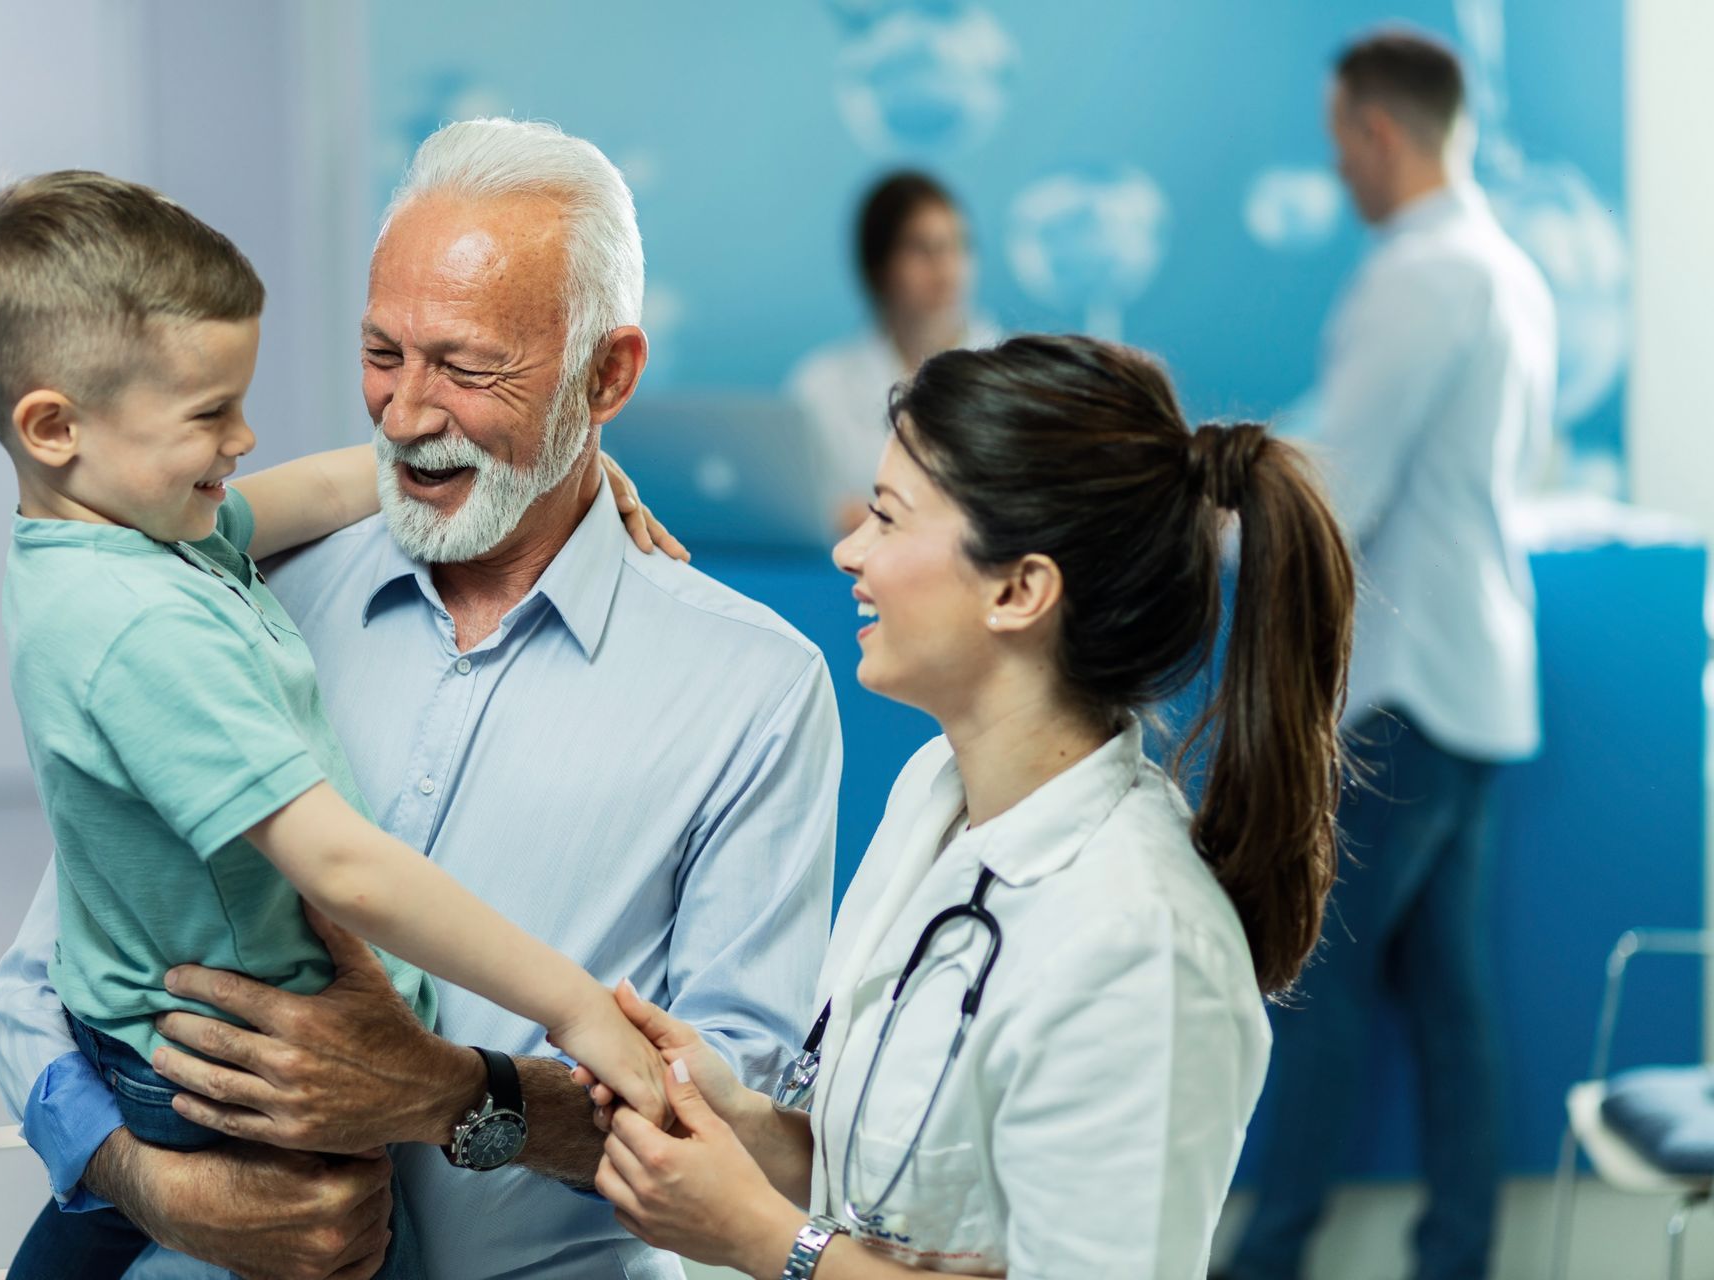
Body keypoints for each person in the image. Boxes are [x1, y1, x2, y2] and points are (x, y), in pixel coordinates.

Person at [0, 121, 840, 1280]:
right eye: (381, 351)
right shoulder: (227, 582)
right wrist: (159, 1186)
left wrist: (455, 1093)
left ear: (609, 374)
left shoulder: (755, 687)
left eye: (466, 365)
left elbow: (730, 1140)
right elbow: (51, 971)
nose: (401, 412)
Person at [576, 333, 1358, 1277]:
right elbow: (892, 1196)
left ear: (1021, 588)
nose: (848, 549)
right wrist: (742, 1124)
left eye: (889, 519)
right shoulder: (934, 794)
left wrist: (762, 1240)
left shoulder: (1142, 947)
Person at [1224, 30, 1555, 1280]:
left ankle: (1269, 1259)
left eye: (1337, 138)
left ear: (1374, 130)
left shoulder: (1422, 273)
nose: (1334, 164)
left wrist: (1198, 505)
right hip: (1477, 680)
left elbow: (1338, 477)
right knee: (1450, 1010)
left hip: (1410, 689)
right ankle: (1457, 1255)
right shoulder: (1507, 269)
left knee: (1319, 989)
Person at [787, 171, 999, 534]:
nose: (946, 268)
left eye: (958, 245)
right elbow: (802, 509)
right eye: (922, 248)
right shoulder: (820, 385)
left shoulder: (1013, 380)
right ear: (879, 266)